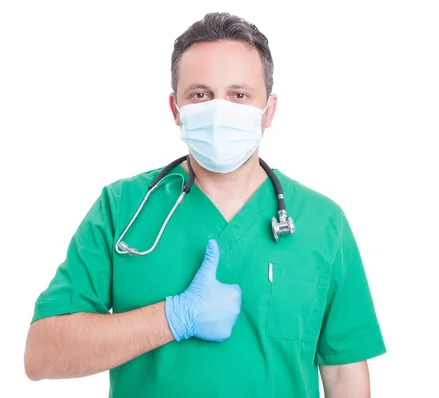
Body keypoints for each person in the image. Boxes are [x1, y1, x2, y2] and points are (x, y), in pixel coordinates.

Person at [24, 12, 386, 398]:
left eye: (239, 95)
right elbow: (42, 354)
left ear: (270, 110)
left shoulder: (322, 222)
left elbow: (344, 375)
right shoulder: (123, 209)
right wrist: (172, 317)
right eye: (200, 94)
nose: (219, 110)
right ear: (175, 108)